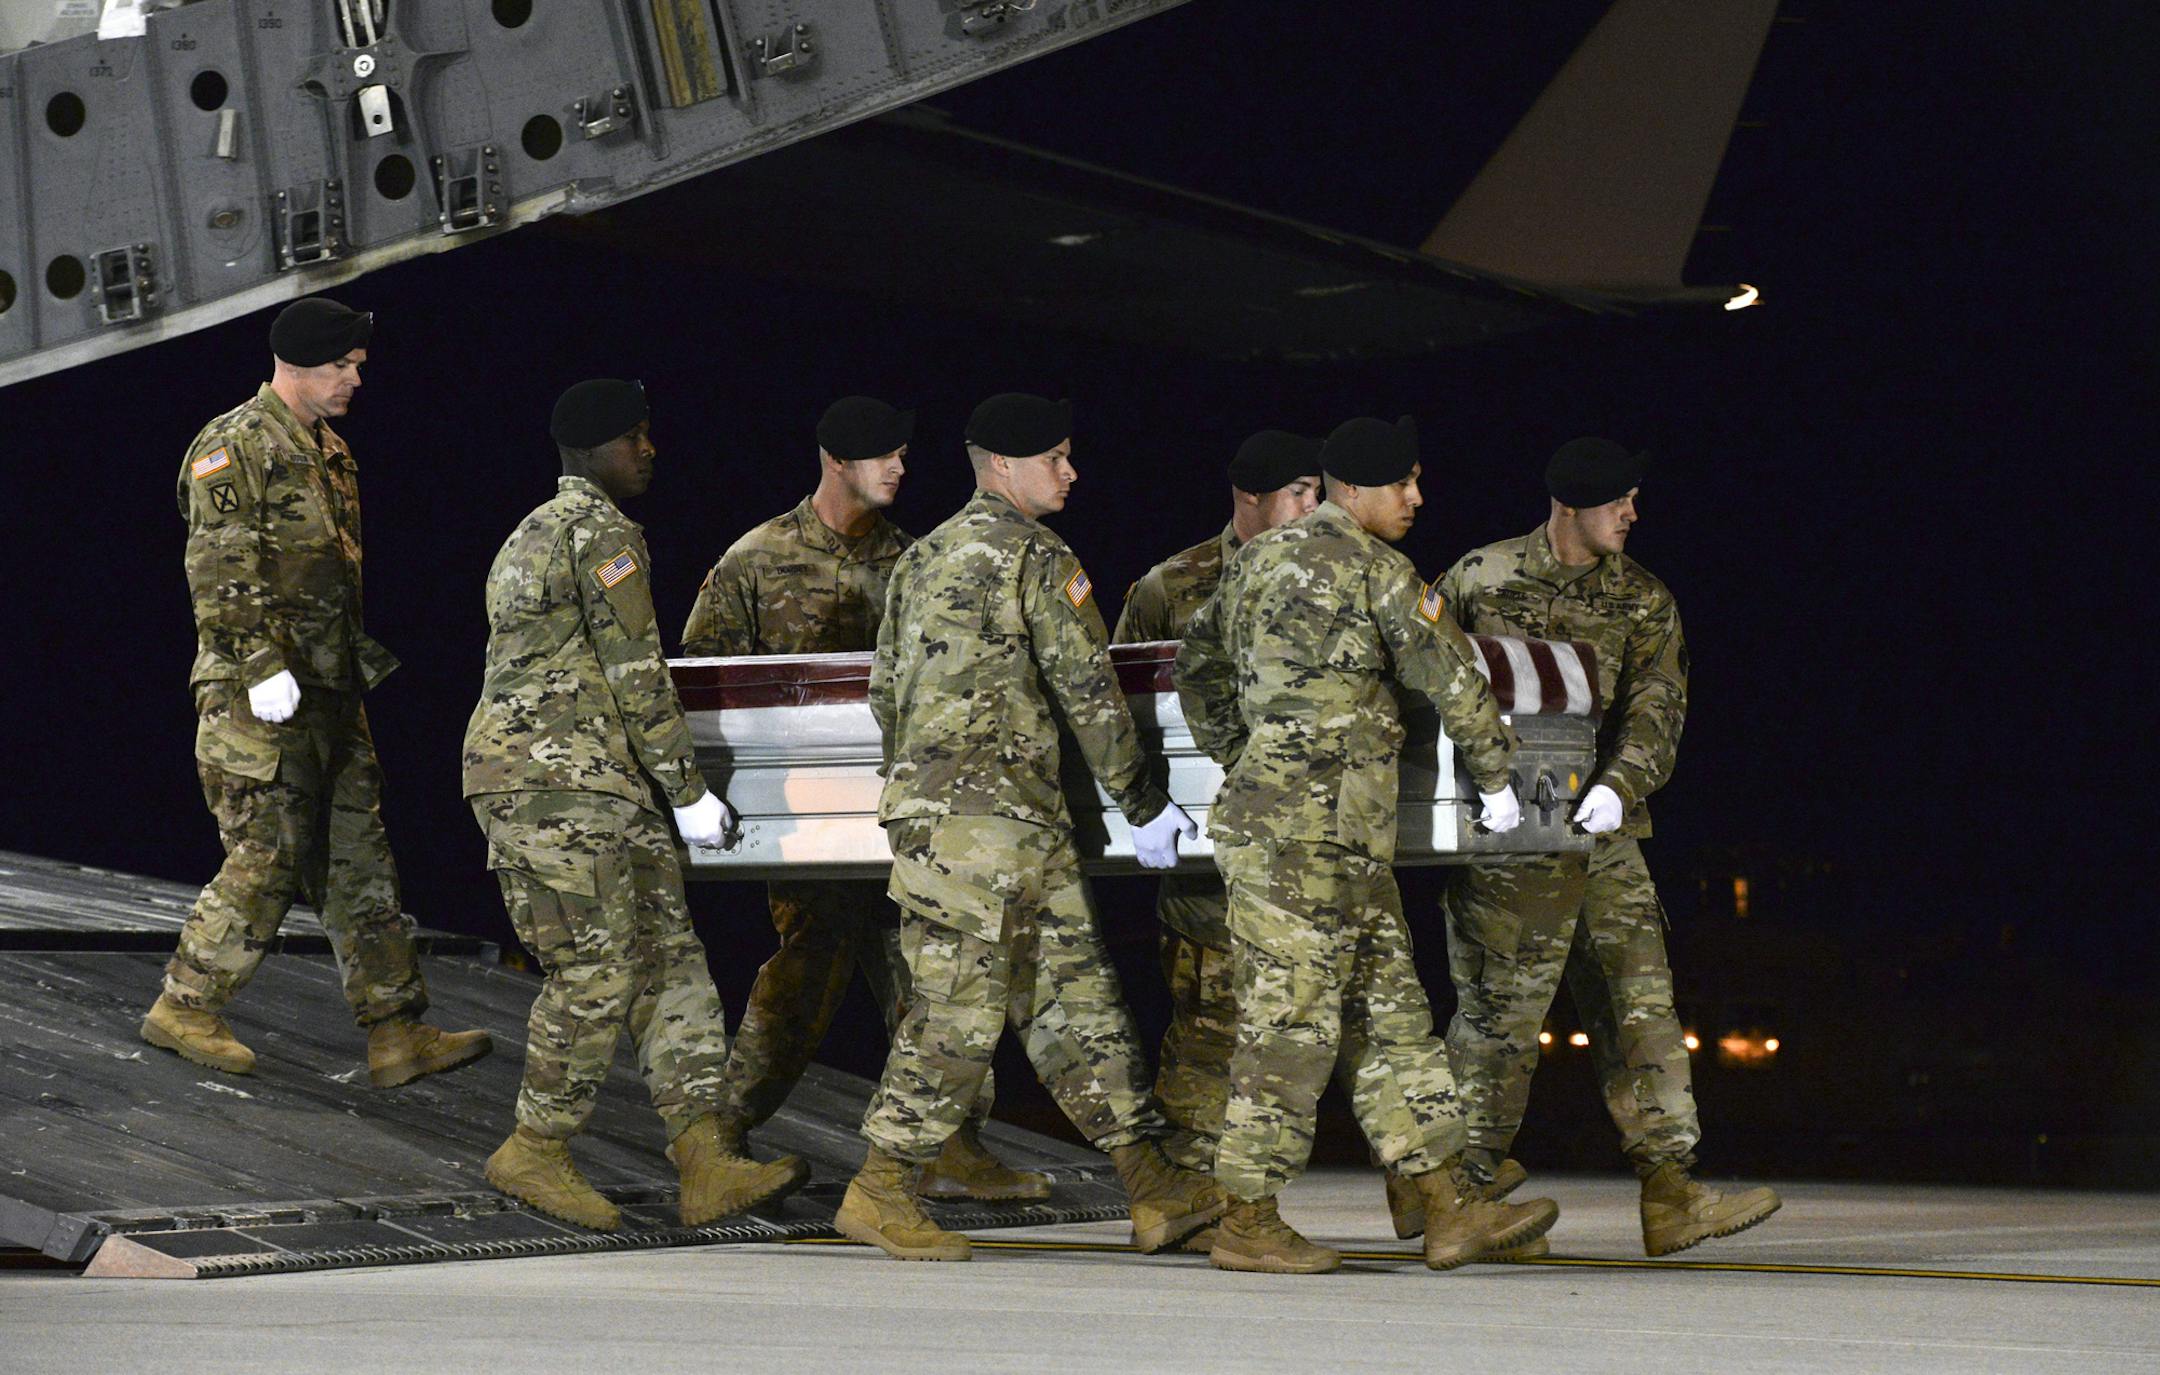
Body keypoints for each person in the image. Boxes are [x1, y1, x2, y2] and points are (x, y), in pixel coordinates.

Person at [834, 392, 1217, 1262]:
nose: (1072, 473)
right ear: (1004, 466)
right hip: (990, 825)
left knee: (1076, 1000)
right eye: (1057, 458)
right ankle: (882, 1187)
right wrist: (1145, 804)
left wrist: (924, 789)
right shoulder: (1036, 555)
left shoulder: (921, 560)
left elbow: (885, 692)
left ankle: (1152, 1186)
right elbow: (1089, 690)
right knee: (960, 1010)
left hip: (983, 821)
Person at [1175, 415, 1558, 1275]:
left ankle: (1445, 1203)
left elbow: (1195, 666)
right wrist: (1496, 782)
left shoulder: (1256, 562)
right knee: (1293, 1024)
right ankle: (1245, 1213)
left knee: (1394, 1018)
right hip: (1302, 842)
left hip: (1327, 837)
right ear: (1354, 489)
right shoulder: (1381, 572)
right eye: (1404, 484)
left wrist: (1243, 750)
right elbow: (1453, 677)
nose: (1417, 499)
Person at [463, 379, 806, 1231]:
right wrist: (690, 794)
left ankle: (703, 1158)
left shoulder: (527, 533)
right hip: (557, 784)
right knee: (596, 967)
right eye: (637, 437)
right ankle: (534, 1148)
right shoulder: (600, 533)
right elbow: (634, 671)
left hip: (594, 782)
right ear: (596, 449)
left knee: (670, 960)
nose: (650, 450)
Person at [681, 396, 1042, 1202]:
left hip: (904, 805)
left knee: (934, 976)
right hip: (806, 818)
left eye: (906, 454)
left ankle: (952, 1143)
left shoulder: (915, 562)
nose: (900, 469)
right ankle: (721, 1132)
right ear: (837, 461)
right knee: (808, 971)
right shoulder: (756, 559)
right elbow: (703, 683)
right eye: (884, 456)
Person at [1435, 436, 1780, 1257]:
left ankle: (1671, 1188)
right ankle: (1461, 1195)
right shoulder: (1478, 580)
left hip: (1604, 832)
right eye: (1618, 500)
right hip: (1507, 837)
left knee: (1641, 1000)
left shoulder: (1646, 599)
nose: (1633, 513)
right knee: (1499, 1018)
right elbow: (1424, 684)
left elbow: (1659, 710)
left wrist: (1618, 786)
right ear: (1570, 505)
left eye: (1634, 498)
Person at [141, 297, 491, 1088]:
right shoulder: (234, 444)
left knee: (360, 857)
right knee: (268, 851)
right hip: (256, 692)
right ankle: (186, 1004)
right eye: (343, 366)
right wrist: (261, 667)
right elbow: (219, 567)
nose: (355, 378)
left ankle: (396, 1030)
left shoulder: (329, 450)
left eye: (358, 365)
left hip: (330, 689)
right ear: (299, 365)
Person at [1111, 429, 1321, 1176]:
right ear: (1249, 498)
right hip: (1207, 860)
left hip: (1308, 850)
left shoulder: (1329, 576)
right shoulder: (1173, 586)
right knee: (1209, 1029)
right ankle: (1186, 1190)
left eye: (1317, 491)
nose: (1312, 507)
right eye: (1297, 493)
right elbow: (1122, 710)